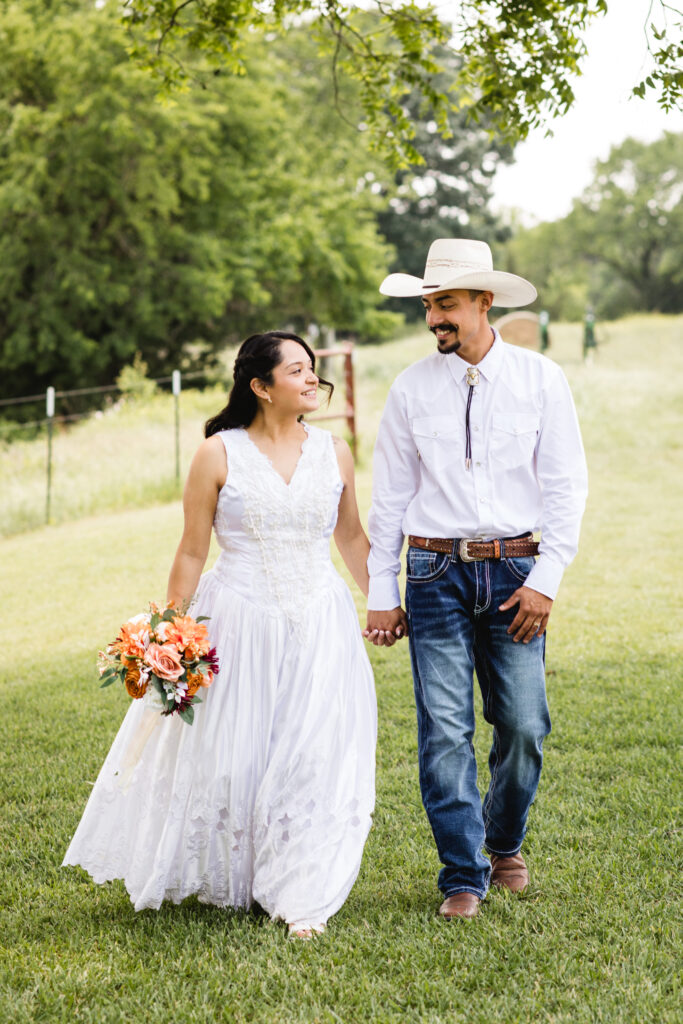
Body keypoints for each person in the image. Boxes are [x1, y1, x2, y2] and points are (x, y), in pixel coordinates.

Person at [63, 331, 377, 940]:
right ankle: (240, 869)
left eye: (314, 370)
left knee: (313, 754)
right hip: (237, 618)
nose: (313, 379)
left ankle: (300, 892)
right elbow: (191, 550)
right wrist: (168, 638)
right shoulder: (218, 453)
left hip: (320, 619)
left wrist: (385, 605)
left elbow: (351, 537)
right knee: (238, 759)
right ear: (261, 386)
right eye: (298, 371)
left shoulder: (334, 451)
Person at [365, 238, 587, 919]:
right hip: (432, 573)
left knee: (522, 724)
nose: (435, 317)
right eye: (429, 305)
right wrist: (381, 590)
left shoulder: (540, 378)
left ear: (483, 302)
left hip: (517, 571)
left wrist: (545, 577)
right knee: (443, 730)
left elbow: (564, 485)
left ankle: (503, 841)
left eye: (447, 304)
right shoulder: (408, 388)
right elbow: (390, 496)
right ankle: (462, 874)